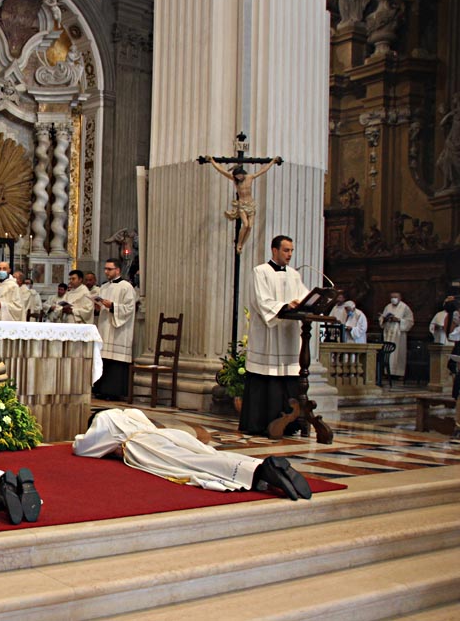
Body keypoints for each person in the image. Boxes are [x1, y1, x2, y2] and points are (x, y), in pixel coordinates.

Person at [74, 409, 312, 500]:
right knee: (207, 453)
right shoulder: (130, 412)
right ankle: (257, 465)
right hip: (170, 435)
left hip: (143, 445)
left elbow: (84, 448)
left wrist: (84, 437)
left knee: (195, 464)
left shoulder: (104, 417)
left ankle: (260, 471)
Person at [240, 235, 309, 437]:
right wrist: (284, 306)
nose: (289, 254)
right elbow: (261, 301)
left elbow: (304, 296)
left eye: (291, 251)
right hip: (268, 335)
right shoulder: (260, 272)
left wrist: (303, 303)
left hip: (288, 336)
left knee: (289, 377)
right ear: (275, 250)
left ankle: (290, 424)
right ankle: (260, 424)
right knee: (266, 377)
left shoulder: (294, 275)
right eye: (286, 250)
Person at [204, 155, 282, 254]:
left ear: (243, 173)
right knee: (245, 224)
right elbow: (222, 170)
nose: (239, 177)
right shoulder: (235, 180)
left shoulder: (250, 177)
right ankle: (239, 243)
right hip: (242, 205)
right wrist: (212, 161)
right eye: (237, 176)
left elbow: (263, 170)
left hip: (250, 204)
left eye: (240, 176)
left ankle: (242, 245)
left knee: (250, 226)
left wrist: (273, 161)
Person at [92, 258, 137, 400]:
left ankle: (114, 392)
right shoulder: (104, 287)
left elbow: (129, 308)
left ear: (117, 270)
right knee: (104, 359)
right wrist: (98, 307)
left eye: (109, 269)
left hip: (119, 331)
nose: (106, 272)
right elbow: (101, 308)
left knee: (115, 362)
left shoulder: (126, 287)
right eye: (105, 269)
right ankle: (101, 390)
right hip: (105, 327)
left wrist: (112, 306)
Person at [379, 292, 414, 378]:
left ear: (400, 298)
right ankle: (387, 372)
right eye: (392, 297)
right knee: (388, 353)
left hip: (399, 334)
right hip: (388, 332)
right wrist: (385, 319)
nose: (393, 299)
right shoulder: (388, 307)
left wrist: (398, 320)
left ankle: (399, 373)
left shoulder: (405, 307)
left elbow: (410, 321)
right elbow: (382, 318)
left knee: (398, 353)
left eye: (395, 297)